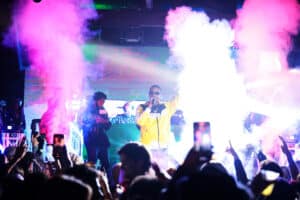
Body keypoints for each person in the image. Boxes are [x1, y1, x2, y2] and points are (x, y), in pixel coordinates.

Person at [136, 84, 178, 149]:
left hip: (163, 145)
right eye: (152, 93)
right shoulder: (141, 107)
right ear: (149, 95)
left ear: (160, 95)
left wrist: (178, 89)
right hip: (148, 145)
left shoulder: (167, 107)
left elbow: (177, 98)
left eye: (157, 93)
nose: (154, 95)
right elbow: (139, 122)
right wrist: (149, 108)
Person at [83, 91, 112, 177]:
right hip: (91, 139)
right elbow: (83, 122)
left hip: (102, 140)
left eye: (104, 101)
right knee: (92, 162)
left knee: (106, 163)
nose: (103, 103)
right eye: (101, 100)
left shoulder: (103, 110)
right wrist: (93, 120)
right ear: (95, 100)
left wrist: (103, 121)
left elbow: (108, 125)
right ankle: (91, 181)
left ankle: (109, 183)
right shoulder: (87, 110)